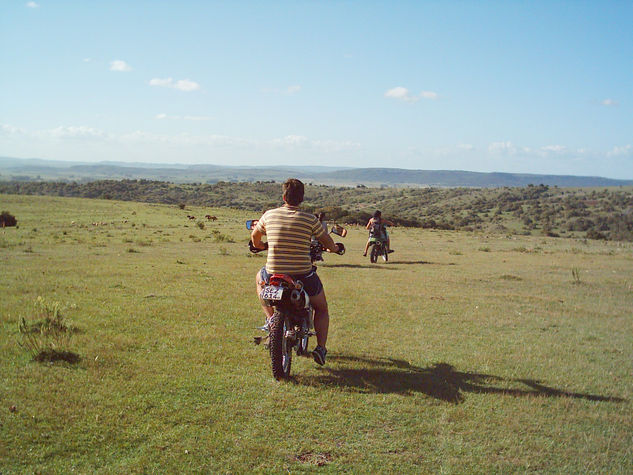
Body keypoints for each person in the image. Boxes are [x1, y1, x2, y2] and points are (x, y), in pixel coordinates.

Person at [251, 179, 340, 366]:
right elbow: (327, 241)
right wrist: (333, 248)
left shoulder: (268, 215)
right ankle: (321, 348)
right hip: (302, 276)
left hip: (273, 273)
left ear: (284, 197)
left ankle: (270, 320)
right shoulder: (310, 219)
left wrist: (260, 246)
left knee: (259, 278)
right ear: (301, 199)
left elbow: (255, 237)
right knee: (321, 308)